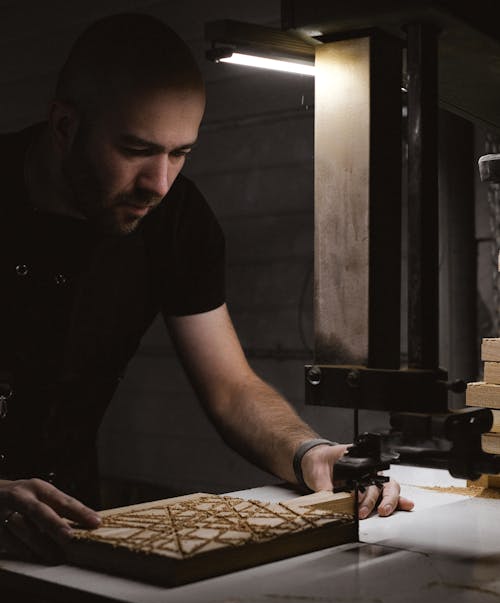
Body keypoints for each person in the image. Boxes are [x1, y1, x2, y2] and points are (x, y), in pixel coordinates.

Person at [0, 12, 413, 560]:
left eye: (180, 153)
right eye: (136, 150)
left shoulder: (177, 219)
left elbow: (231, 389)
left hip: (70, 531)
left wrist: (308, 453)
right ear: (63, 127)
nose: (159, 184)